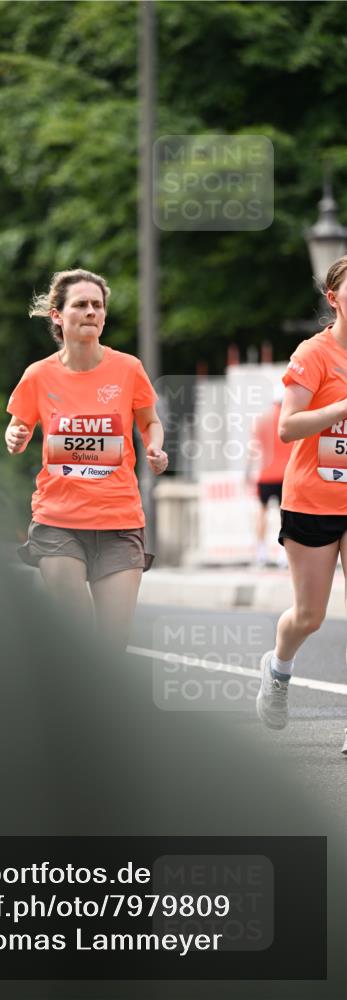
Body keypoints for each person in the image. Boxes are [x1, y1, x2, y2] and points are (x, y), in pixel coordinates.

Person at [5, 268, 168, 643]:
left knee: (112, 645)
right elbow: (19, 426)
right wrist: (15, 436)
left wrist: (155, 447)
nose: (91, 311)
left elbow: (150, 423)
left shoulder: (127, 369)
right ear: (58, 316)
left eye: (98, 305)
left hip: (118, 521)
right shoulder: (38, 375)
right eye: (81, 304)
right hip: (58, 521)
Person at [255, 255, 347, 755]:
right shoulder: (314, 355)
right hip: (313, 497)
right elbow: (288, 427)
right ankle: (278, 668)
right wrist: (341, 408)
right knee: (309, 616)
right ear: (334, 299)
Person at [247, 383, 293, 567]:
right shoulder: (289, 421)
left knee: (262, 512)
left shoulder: (262, 420)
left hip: (265, 474)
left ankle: (261, 552)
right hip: (287, 475)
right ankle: (284, 553)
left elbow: (253, 449)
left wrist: (248, 472)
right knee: (286, 515)